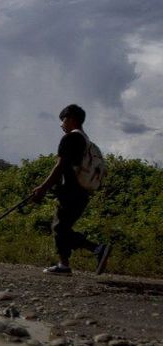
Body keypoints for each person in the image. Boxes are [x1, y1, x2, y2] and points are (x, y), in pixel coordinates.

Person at [32, 105, 111, 275]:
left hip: (71, 192)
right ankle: (66, 263)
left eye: (63, 120)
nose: (62, 125)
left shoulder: (70, 139)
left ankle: (95, 249)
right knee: (63, 227)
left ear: (71, 118)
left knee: (60, 228)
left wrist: (43, 188)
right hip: (82, 192)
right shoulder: (86, 141)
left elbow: (60, 166)